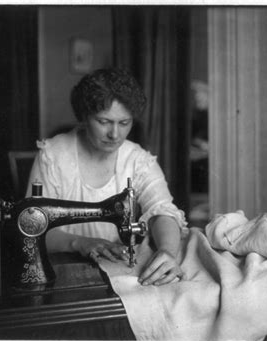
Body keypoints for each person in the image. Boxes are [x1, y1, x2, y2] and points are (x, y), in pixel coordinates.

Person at [27, 68, 187, 286]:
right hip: (60, 269)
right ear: (84, 116)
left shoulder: (137, 160)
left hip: (115, 267)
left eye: (124, 123)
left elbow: (162, 210)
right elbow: (35, 226)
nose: (115, 134)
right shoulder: (52, 156)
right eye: (104, 122)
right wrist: (80, 243)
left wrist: (168, 251)